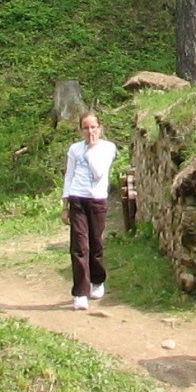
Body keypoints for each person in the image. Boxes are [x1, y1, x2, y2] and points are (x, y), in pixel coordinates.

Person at [62, 111, 116, 311]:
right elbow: (69, 176)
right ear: (80, 130)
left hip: (96, 200)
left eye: (93, 127)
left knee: (95, 243)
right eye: (86, 127)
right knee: (79, 246)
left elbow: (98, 172)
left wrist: (92, 148)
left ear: (100, 128)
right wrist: (65, 205)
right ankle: (80, 293)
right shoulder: (75, 149)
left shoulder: (107, 148)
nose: (90, 131)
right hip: (77, 199)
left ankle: (97, 281)